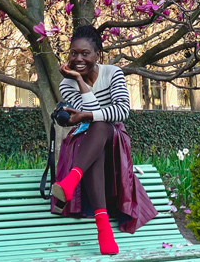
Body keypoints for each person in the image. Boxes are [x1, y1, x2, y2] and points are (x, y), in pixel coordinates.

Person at [51, 25, 157, 255]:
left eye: (85, 53)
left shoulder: (113, 73)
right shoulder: (65, 83)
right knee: (96, 127)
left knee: (100, 124)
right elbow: (85, 116)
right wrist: (77, 80)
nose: (78, 58)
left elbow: (121, 112)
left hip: (115, 138)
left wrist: (81, 84)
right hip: (85, 141)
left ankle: (72, 182)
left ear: (97, 53)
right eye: (73, 53)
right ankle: (102, 227)